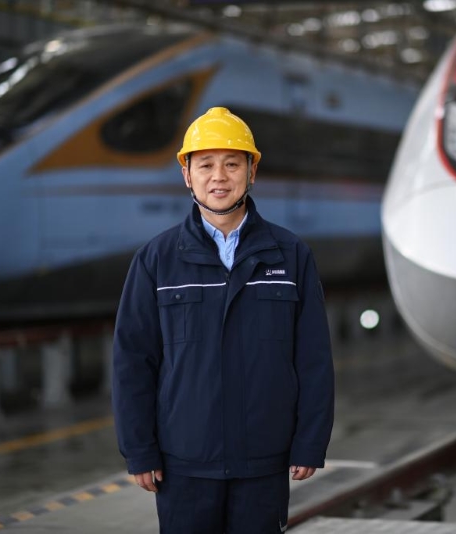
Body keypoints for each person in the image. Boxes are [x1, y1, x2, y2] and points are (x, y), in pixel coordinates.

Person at [112, 106, 335, 533]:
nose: (219, 176)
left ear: (251, 172)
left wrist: (310, 442)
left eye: (233, 163)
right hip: (185, 463)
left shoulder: (290, 256)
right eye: (206, 165)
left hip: (264, 460)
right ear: (186, 175)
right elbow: (132, 361)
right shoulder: (156, 261)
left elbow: (314, 359)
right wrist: (139, 450)